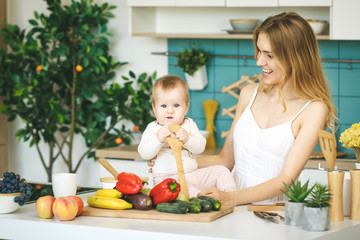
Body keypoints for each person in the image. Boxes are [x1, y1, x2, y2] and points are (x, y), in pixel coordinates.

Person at [148, 12, 337, 207]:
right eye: (259, 51)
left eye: (269, 55)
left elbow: (286, 179)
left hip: (272, 212)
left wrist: (231, 198)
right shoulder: (248, 93)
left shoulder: (314, 109)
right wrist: (171, 161)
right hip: (229, 206)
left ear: (294, 58)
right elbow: (226, 160)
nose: (259, 61)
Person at [138, 75, 236, 198]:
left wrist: (188, 140)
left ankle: (231, 195)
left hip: (193, 173)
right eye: (163, 106)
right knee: (186, 190)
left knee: (221, 170)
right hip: (167, 180)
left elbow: (200, 147)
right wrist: (158, 139)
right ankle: (204, 198)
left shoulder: (189, 124)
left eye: (176, 105)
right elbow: (144, 153)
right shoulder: (153, 128)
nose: (170, 111)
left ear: (186, 108)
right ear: (154, 108)